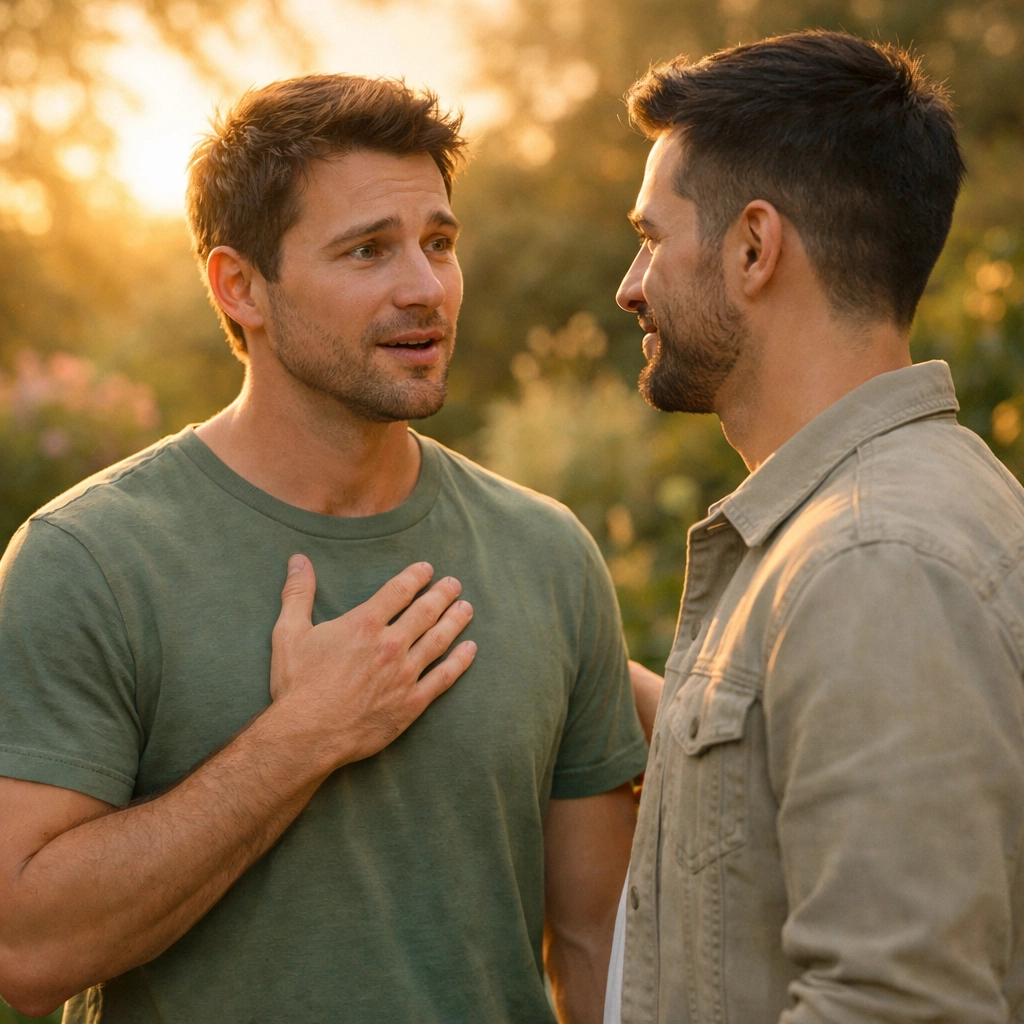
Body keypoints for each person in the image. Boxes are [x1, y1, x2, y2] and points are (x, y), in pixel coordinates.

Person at [0, 75, 647, 1023]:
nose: (425, 288)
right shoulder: (87, 560)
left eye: (439, 242)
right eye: (367, 250)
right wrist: (303, 739)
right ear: (241, 287)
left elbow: (595, 941)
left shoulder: (547, 552)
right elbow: (26, 949)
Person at [608, 30, 1024, 1024]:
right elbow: (786, 762)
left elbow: (897, 1004)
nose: (630, 284)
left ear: (754, 246)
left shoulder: (876, 562)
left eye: (652, 237)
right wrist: (580, 665)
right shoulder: (859, 536)